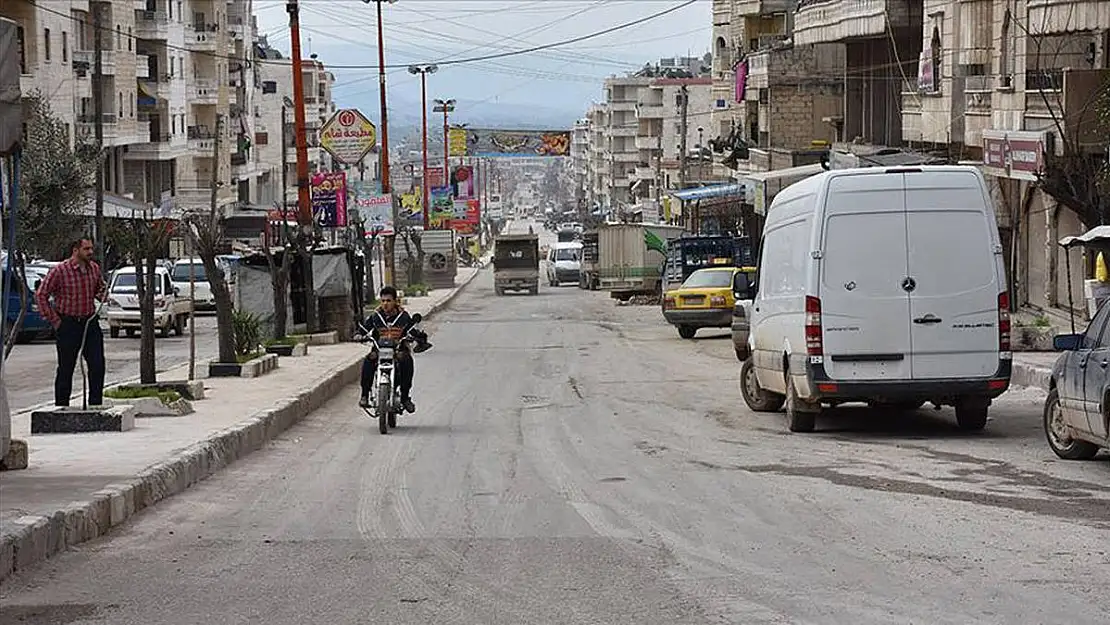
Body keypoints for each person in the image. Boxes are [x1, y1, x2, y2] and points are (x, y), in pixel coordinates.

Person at [34, 238, 109, 407]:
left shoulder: (94, 269)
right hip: (68, 323)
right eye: (86, 249)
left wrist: (104, 293)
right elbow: (41, 294)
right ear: (75, 250)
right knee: (66, 368)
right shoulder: (60, 271)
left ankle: (95, 406)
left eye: (91, 249)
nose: (90, 252)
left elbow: (98, 290)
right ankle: (62, 407)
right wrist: (55, 321)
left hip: (89, 321)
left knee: (97, 365)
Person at [356, 285, 430, 412]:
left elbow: (412, 330)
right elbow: (364, 329)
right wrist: (358, 335)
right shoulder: (375, 316)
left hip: (398, 350)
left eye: (389, 301)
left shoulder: (404, 317)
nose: (385, 304)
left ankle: (405, 397)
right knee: (368, 361)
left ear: (395, 301)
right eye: (383, 301)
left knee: (407, 361)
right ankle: (364, 395)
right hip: (379, 350)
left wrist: (418, 337)